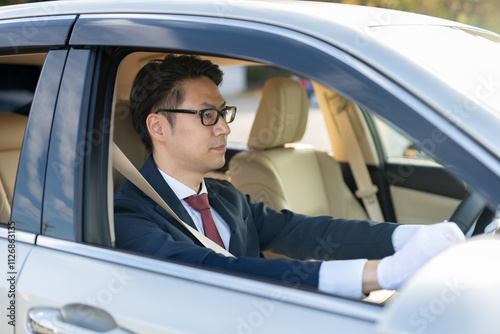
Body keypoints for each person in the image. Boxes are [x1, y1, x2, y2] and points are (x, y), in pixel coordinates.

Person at [114, 54, 466, 299]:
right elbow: (210, 272)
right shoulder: (127, 214)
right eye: (207, 115)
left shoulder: (225, 197)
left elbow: (307, 231)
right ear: (158, 126)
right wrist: (379, 274)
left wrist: (410, 238)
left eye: (223, 112)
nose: (223, 127)